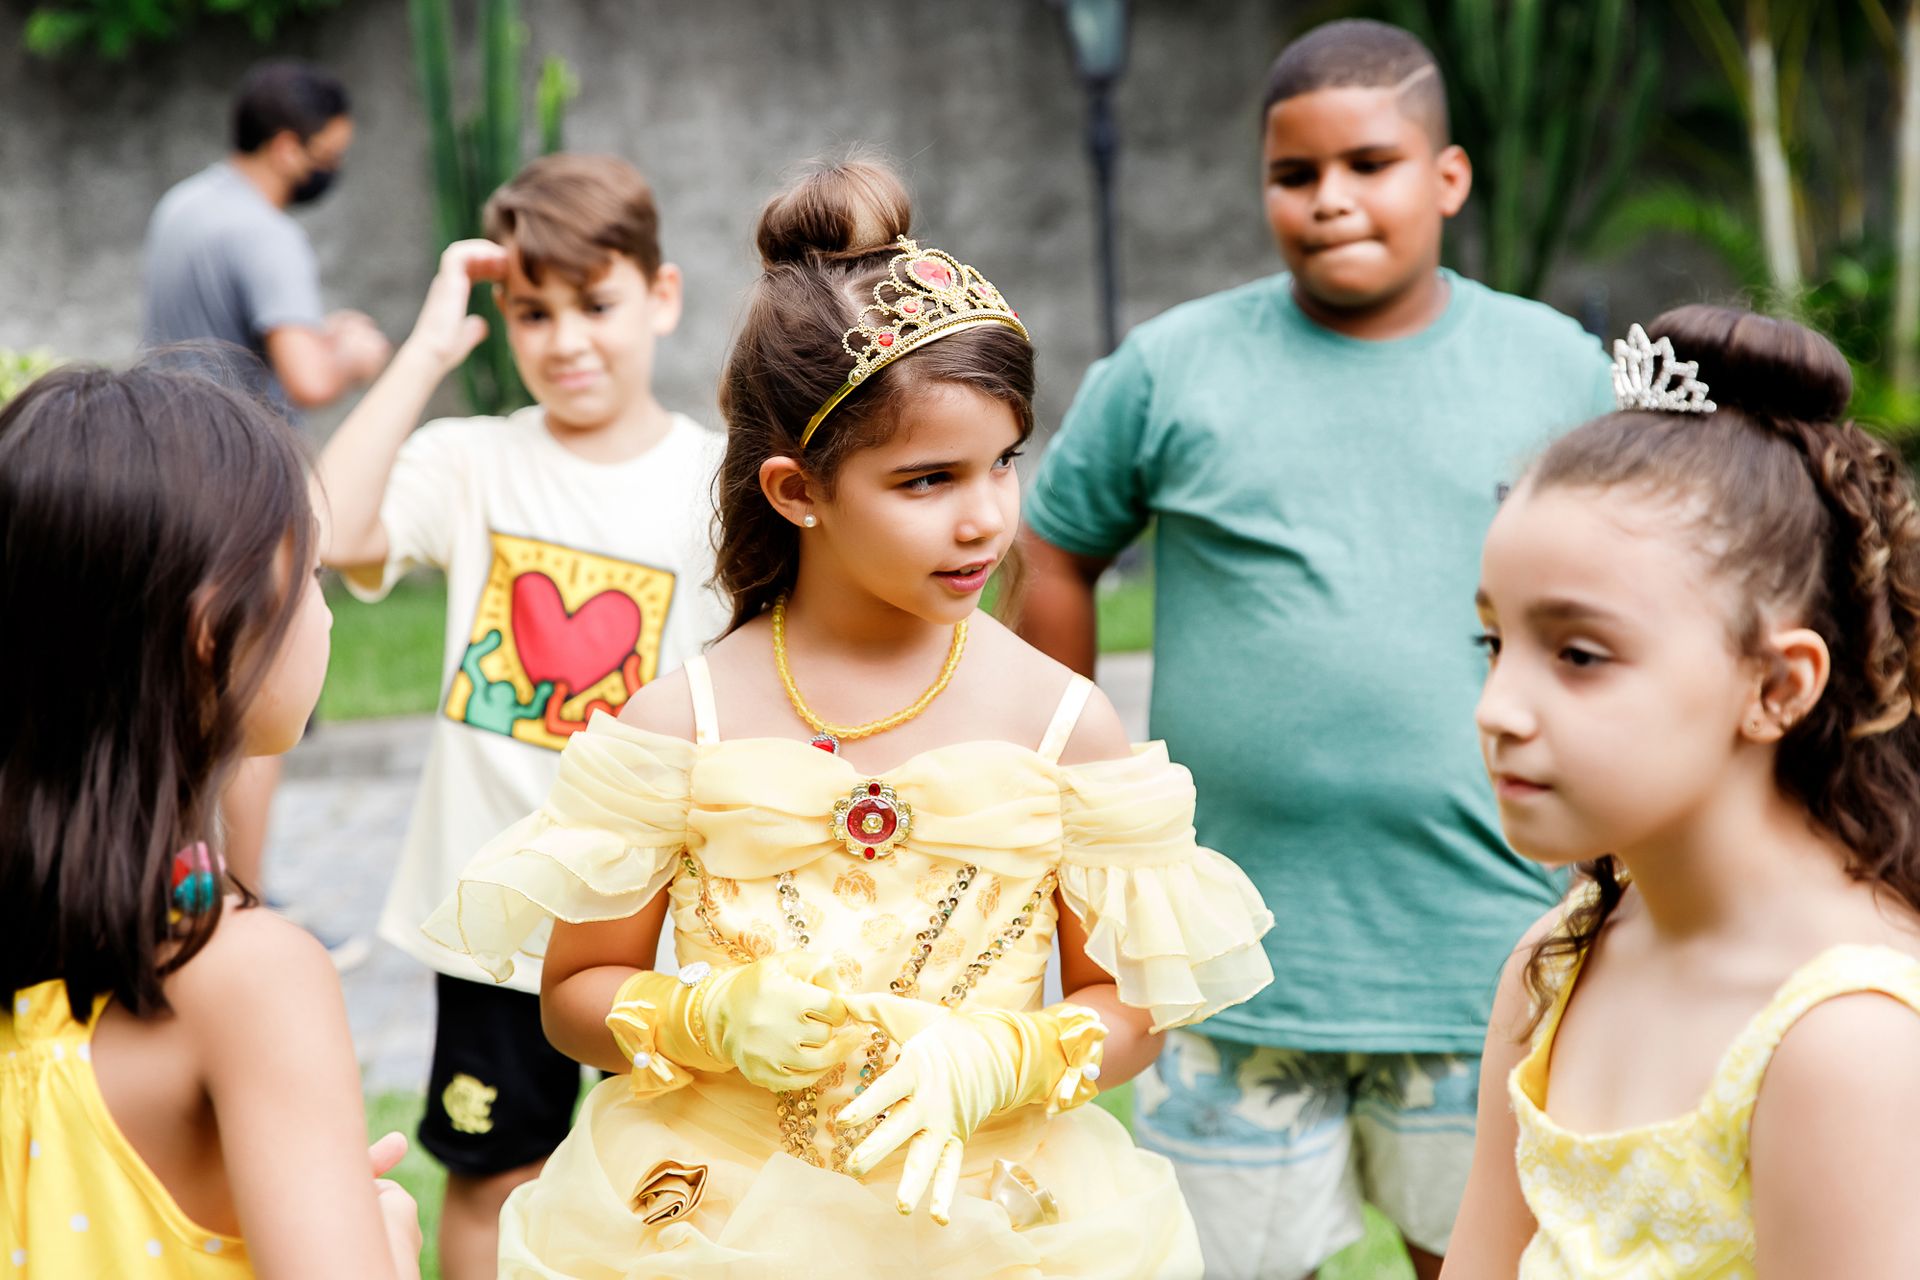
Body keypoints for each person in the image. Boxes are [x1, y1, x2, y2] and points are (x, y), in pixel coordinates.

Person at [417, 158, 1275, 1278]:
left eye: (1003, 463)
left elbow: (1131, 1007)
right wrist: (700, 1018)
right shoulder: (679, 724)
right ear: (797, 490)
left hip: (987, 1221)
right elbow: (574, 996)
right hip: (721, 1224)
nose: (985, 518)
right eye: (927, 480)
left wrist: (1012, 1056)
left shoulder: (1066, 722)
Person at [1014, 18, 1617, 1279]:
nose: (1330, 198)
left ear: (1447, 177)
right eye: (1295, 174)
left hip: (1484, 946)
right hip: (1231, 964)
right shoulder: (1173, 368)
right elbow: (1055, 547)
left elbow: (1634, 602)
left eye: (1369, 164)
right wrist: (1075, 785)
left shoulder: (1558, 371)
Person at [314, 152, 729, 1279]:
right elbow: (333, 528)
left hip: (662, 923)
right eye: (533, 313)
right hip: (497, 918)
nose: (566, 340)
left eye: (595, 304)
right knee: (496, 1174)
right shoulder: (471, 460)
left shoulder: (719, 482)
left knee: (680, 1185)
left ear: (661, 295)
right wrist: (427, 348)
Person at [1443, 307, 1920, 1277]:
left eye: (1580, 654)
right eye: (1496, 642)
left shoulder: (1848, 1039)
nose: (1499, 708)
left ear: (1777, 685)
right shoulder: (1556, 963)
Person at [0, 362, 420, 1278]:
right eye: (312, 575)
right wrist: (384, 1244)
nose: (325, 613)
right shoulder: (251, 978)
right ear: (213, 629)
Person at [141, 58, 392, 913]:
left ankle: (181, 890)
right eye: (330, 152)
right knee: (252, 706)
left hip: (175, 475)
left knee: (187, 699)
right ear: (290, 147)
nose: (332, 167)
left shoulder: (182, 207)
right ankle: (243, 905)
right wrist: (354, 352)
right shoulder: (264, 233)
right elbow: (306, 376)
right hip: (248, 495)